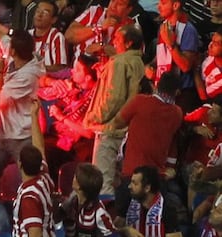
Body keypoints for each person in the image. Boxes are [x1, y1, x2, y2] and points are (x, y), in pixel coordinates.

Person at [0, 29, 45, 200]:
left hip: (22, 135)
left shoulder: (28, 75)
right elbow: (4, 40)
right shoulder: (17, 56)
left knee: (31, 179)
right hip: (2, 132)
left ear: (14, 52)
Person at [112, 71, 183, 226]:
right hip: (158, 179)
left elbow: (117, 122)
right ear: (177, 92)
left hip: (132, 176)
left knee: (121, 222)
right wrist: (170, 169)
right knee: (157, 225)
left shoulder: (139, 102)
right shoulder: (177, 114)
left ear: (156, 85)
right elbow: (172, 146)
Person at [83, 24, 145, 196]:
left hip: (110, 129)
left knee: (102, 180)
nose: (114, 42)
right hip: (128, 130)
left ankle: (103, 219)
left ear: (128, 42)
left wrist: (94, 117)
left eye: (118, 38)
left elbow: (114, 98)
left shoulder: (119, 62)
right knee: (119, 180)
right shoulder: (138, 62)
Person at [12, 98, 55, 237]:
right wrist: (34, 115)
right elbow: (39, 147)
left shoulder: (29, 197)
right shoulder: (44, 178)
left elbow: (35, 234)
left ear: (20, 164)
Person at [150, 0, 200, 113]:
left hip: (182, 92)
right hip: (163, 89)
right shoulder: (163, 26)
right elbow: (161, 55)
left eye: (163, 3)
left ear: (176, 5)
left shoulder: (189, 30)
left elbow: (185, 66)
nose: (158, 7)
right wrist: (151, 66)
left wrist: (171, 44)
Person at [64, 0, 136, 63]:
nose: (113, 6)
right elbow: (69, 36)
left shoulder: (132, 28)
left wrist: (104, 48)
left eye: (120, 3)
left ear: (128, 9)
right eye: (113, 0)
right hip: (78, 72)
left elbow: (132, 60)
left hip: (109, 75)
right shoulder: (94, 12)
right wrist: (98, 27)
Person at [120, 166, 181, 237]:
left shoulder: (167, 209)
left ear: (147, 188)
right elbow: (113, 230)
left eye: (135, 183)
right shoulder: (128, 201)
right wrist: (125, 230)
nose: (129, 186)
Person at [59, 163, 116, 236]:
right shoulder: (70, 203)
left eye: (75, 177)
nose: (73, 178)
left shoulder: (99, 214)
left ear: (79, 186)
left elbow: (113, 235)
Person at [28, 0, 68, 72]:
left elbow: (60, 68)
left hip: (47, 80)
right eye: (38, 11)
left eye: (45, 13)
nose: (39, 15)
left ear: (53, 20)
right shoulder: (27, 36)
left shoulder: (57, 37)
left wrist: (35, 69)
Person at [201, 27, 222, 99]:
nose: (210, 46)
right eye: (212, 41)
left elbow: (205, 98)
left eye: (216, 44)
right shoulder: (207, 61)